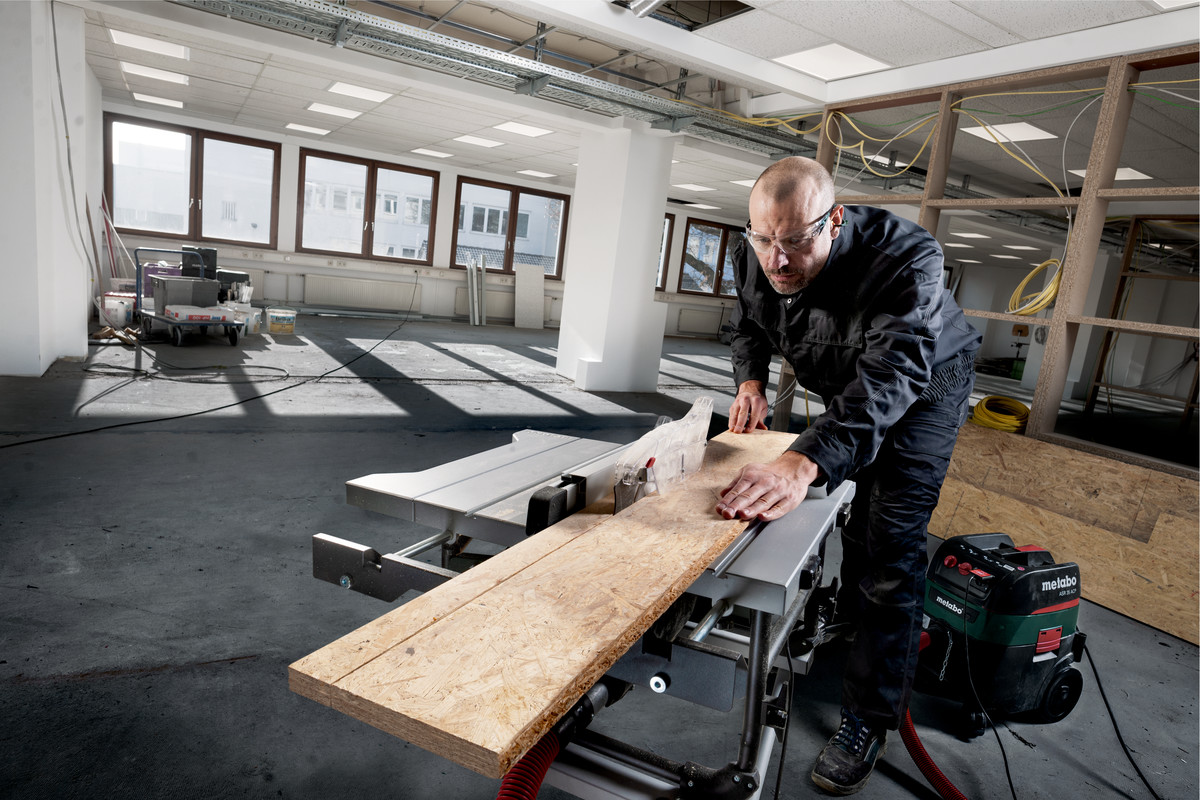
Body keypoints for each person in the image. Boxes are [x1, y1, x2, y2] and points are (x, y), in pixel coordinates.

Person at [714, 156, 981, 795]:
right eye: (764, 240)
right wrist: (750, 380)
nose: (777, 259)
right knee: (849, 516)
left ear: (834, 220)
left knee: (890, 541)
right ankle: (851, 613)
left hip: (924, 387)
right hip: (848, 381)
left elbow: (893, 375)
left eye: (794, 242)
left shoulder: (907, 259)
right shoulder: (757, 250)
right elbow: (748, 321)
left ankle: (869, 717)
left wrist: (804, 460)